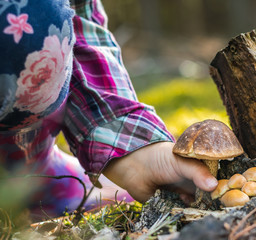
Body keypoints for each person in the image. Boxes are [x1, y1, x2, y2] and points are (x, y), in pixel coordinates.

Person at [0, 0, 218, 218]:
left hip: (35, 167)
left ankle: (33, 173)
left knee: (34, 18)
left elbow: (79, 20)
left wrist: (133, 150)